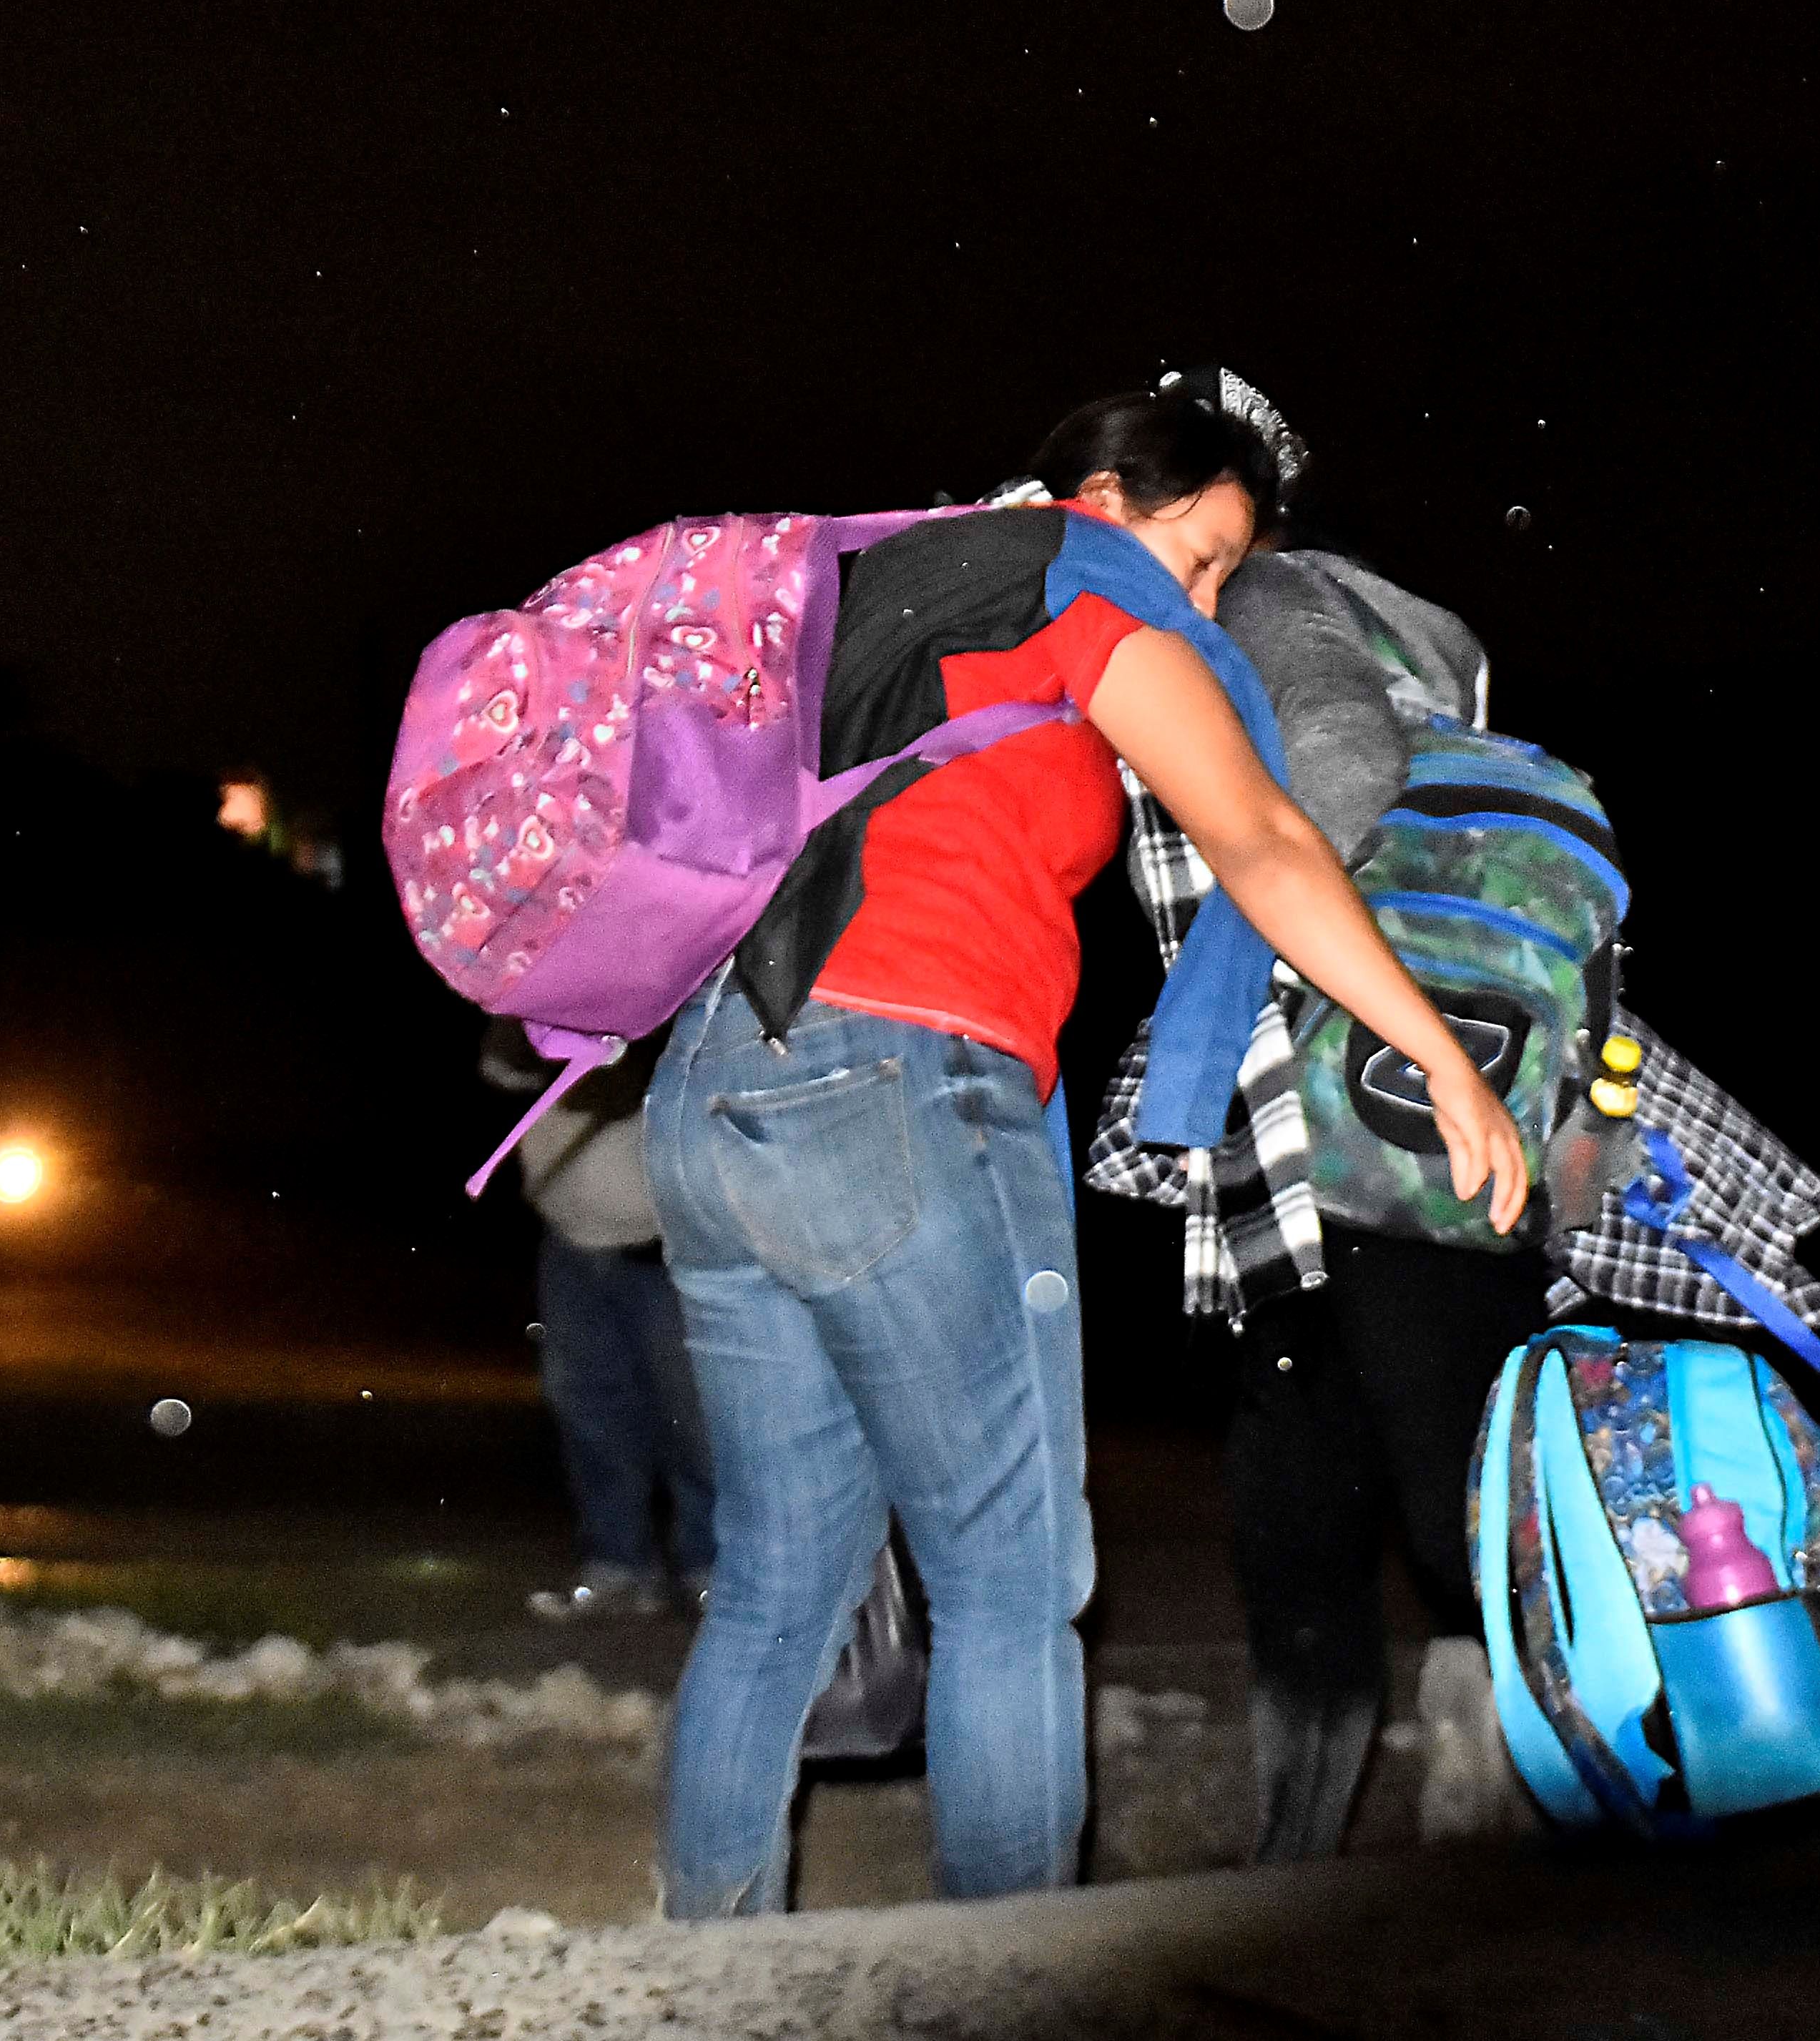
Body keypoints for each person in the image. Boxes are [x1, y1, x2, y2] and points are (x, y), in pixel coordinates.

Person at [641, 384, 1529, 1917]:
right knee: (1012, 1581)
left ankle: (701, 1976)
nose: (1205, 601)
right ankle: (1016, 1980)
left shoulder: (888, 583)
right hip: (902, 1074)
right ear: (1113, 495)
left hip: (719, 1086)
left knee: (781, 1587)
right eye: (1205, 555)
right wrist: (1438, 1051)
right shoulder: (1081, 570)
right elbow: (1262, 832)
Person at [1075, 375, 1546, 1859]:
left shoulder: (1275, 598)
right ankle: (1510, 1774)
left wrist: (1252, 889)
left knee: (1307, 1472)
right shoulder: (1428, 622)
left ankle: (1321, 1821)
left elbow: (1336, 775)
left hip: (1343, 1101)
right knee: (1449, 1465)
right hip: (1455, 1086)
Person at [478, 1021, 716, 1617]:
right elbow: (501, 1070)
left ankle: (712, 1567)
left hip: (665, 1247)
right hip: (569, 1239)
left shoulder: (672, 991)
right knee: (589, 1410)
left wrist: (636, 1057)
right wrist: (533, 1023)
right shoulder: (548, 985)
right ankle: (618, 1565)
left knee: (693, 1417)